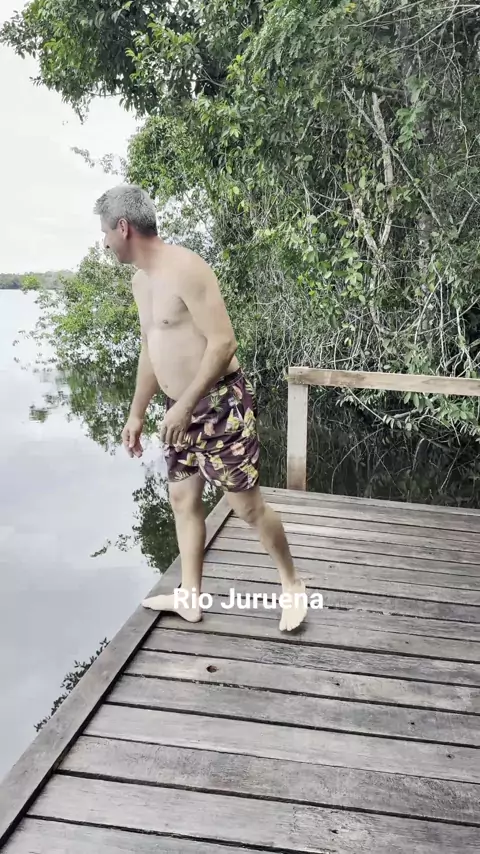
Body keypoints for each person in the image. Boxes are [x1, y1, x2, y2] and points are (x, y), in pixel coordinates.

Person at [93, 183, 307, 631]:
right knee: (182, 499)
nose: (105, 243)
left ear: (123, 227)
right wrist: (137, 413)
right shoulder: (140, 282)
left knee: (246, 508)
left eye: (105, 232)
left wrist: (187, 403)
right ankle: (189, 596)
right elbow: (151, 348)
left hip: (218, 405)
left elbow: (224, 343)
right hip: (178, 410)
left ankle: (292, 584)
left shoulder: (187, 268)